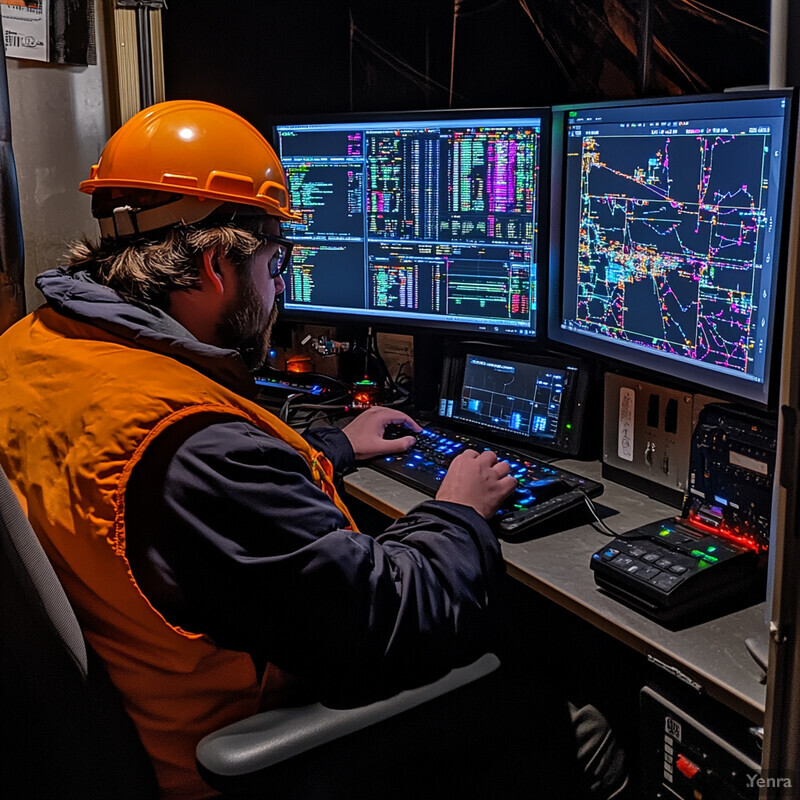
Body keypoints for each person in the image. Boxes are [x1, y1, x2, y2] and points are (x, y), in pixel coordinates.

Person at [0, 100, 526, 799]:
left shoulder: (33, 347)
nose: (280, 291)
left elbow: (173, 493)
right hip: (227, 765)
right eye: (276, 266)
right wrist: (458, 512)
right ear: (218, 265)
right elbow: (390, 622)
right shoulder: (199, 450)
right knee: (563, 718)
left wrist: (332, 446)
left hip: (113, 725)